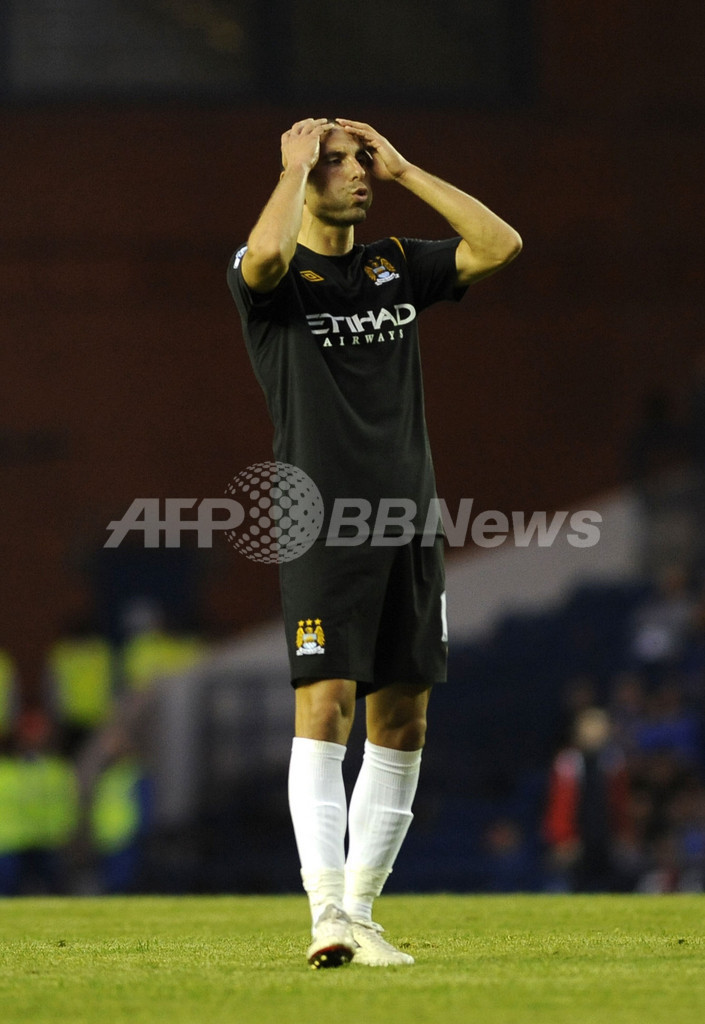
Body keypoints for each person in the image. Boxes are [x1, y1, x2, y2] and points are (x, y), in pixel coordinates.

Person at [227, 117, 521, 968]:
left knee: (404, 722)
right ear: (300, 177)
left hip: (410, 522)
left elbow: (498, 244)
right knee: (325, 709)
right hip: (322, 523)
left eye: (360, 162)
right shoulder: (270, 276)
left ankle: (359, 917)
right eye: (339, 165)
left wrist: (405, 167)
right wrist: (290, 169)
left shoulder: (393, 264)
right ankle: (323, 912)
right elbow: (267, 262)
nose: (356, 175)